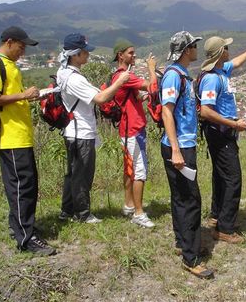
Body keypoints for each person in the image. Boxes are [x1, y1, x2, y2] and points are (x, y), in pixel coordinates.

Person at [198, 36, 246, 244]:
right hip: (221, 132)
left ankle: (216, 215)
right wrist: (234, 124)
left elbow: (237, 62)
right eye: (226, 48)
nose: (229, 50)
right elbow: (206, 111)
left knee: (221, 176)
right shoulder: (212, 78)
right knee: (233, 178)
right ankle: (225, 228)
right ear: (221, 53)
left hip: (222, 131)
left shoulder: (221, 70)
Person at [0, 26, 55, 255]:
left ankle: (20, 227)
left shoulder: (10, 66)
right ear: (9, 42)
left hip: (20, 135)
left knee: (26, 185)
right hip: (10, 137)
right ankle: (26, 239)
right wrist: (23, 95)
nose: (23, 52)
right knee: (22, 187)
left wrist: (27, 98)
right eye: (21, 47)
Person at [56, 33, 130, 223]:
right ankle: (83, 213)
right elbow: (100, 99)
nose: (87, 55)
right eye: (84, 52)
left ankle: (67, 211)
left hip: (73, 131)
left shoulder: (64, 73)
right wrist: (119, 82)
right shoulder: (74, 79)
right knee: (82, 174)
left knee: (72, 173)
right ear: (75, 55)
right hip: (81, 132)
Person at [161, 31, 214, 279]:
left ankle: (184, 242)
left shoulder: (182, 75)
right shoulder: (174, 76)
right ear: (185, 50)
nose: (196, 49)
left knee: (181, 198)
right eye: (193, 45)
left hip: (183, 144)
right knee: (190, 200)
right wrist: (175, 149)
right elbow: (167, 112)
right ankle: (191, 257)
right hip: (179, 146)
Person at [112, 39, 156, 228]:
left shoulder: (118, 76)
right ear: (120, 55)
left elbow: (132, 97)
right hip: (133, 130)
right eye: (130, 53)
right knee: (139, 171)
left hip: (127, 129)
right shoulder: (125, 76)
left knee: (129, 169)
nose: (134, 55)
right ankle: (138, 213)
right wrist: (151, 68)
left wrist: (140, 98)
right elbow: (152, 86)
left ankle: (129, 204)